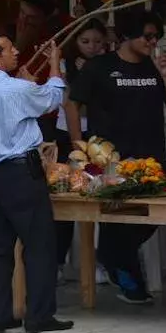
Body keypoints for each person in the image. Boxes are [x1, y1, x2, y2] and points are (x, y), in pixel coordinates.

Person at [67, 9, 166, 304]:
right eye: (147, 36)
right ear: (127, 35)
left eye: (156, 36)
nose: (152, 41)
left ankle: (110, 258)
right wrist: (78, 145)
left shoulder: (154, 67)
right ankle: (128, 279)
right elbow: (72, 104)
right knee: (117, 217)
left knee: (155, 214)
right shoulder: (99, 67)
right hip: (110, 159)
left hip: (151, 160)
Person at [0, 31, 73, 333]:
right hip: (20, 173)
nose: (17, 51)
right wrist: (53, 66)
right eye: (10, 49)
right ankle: (39, 316)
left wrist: (25, 83)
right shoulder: (14, 89)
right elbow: (51, 98)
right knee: (39, 245)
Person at [52, 20, 107, 275]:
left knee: (99, 195)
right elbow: (68, 103)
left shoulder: (109, 67)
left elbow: (101, 105)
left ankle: (100, 262)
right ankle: (59, 262)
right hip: (67, 137)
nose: (92, 47)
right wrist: (84, 79)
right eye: (85, 41)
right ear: (75, 43)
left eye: (97, 41)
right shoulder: (63, 67)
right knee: (66, 198)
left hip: (99, 137)